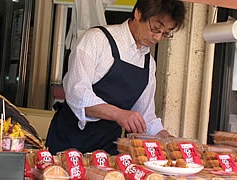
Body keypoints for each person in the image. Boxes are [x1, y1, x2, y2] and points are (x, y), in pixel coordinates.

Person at [46, 0, 186, 155]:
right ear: (138, 13)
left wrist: (166, 139)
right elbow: (77, 94)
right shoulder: (96, 40)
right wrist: (119, 114)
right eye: (155, 28)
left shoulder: (148, 64)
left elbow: (145, 116)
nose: (158, 38)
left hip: (107, 150)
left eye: (166, 33)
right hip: (68, 142)